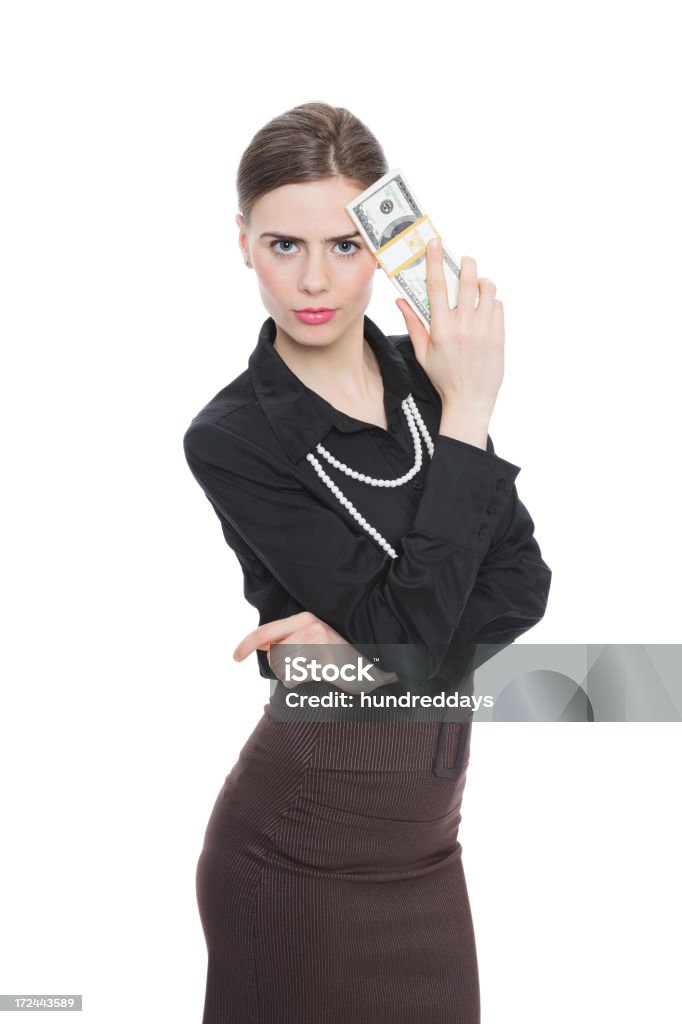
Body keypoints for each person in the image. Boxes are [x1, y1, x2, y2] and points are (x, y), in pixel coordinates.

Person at [183, 101, 552, 1024]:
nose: (315, 279)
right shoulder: (233, 437)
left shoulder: (428, 374)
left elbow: (524, 585)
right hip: (298, 852)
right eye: (283, 244)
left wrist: (377, 647)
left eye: (347, 245)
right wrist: (470, 416)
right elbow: (422, 631)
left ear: (384, 247)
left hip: (430, 853)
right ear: (242, 243)